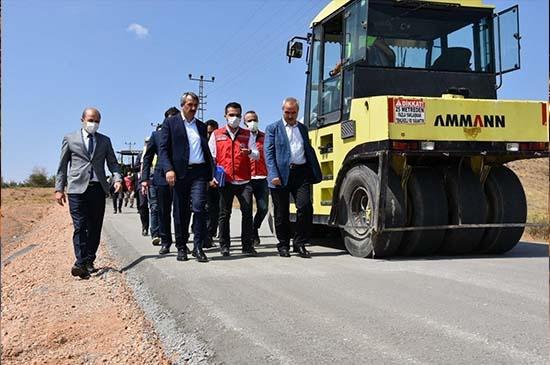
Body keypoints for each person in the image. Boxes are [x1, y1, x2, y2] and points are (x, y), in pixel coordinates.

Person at [55, 107, 122, 279]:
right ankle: (80, 262)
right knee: (80, 226)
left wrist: (118, 179)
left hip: (97, 188)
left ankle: (89, 260)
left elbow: (113, 163)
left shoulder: (105, 141)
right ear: (82, 119)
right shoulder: (70, 139)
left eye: (97, 121)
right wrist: (59, 189)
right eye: (91, 120)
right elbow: (62, 166)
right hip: (77, 189)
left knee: (95, 226)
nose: (94, 123)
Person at [264, 97, 322, 258]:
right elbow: (268, 154)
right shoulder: (273, 128)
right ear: (282, 110)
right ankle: (283, 245)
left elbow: (306, 148)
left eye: (293, 112)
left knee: (305, 207)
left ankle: (300, 243)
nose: (290, 116)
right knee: (281, 212)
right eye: (287, 112)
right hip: (280, 175)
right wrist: (273, 174)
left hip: (301, 173)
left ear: (298, 112)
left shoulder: (302, 128)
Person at [159, 92, 213, 263]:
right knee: (181, 211)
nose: (193, 108)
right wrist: (168, 169)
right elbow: (163, 149)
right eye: (190, 104)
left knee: (199, 208)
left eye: (195, 105)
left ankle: (198, 247)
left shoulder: (201, 126)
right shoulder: (170, 123)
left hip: (199, 173)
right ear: (182, 105)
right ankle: (181, 246)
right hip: (179, 174)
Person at [209, 102, 259, 257]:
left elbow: (257, 154)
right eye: (231, 115)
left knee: (247, 213)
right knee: (224, 214)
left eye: (238, 115)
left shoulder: (247, 134)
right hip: (226, 181)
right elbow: (211, 158)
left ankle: (247, 245)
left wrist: (249, 152)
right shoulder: (216, 134)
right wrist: (212, 177)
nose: (235, 118)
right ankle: (224, 245)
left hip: (244, 180)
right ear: (225, 116)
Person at [141, 107, 181, 251]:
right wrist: (144, 179)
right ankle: (165, 241)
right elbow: (147, 158)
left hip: (180, 177)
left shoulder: (183, 133)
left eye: (175, 117)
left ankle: (181, 242)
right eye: (169, 117)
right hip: (161, 178)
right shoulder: (156, 135)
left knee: (179, 211)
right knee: (163, 211)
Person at [244, 110, 268, 246]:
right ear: (244, 122)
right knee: (246, 209)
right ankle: (250, 236)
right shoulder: (242, 137)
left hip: (262, 177)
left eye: (254, 119)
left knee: (263, 208)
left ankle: (255, 227)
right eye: (249, 120)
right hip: (247, 178)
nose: (252, 122)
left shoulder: (265, 137)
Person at [204, 119, 220, 248]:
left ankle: (211, 234)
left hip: (219, 180)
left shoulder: (219, 142)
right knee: (206, 209)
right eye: (208, 132)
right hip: (204, 181)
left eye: (213, 132)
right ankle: (206, 236)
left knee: (216, 210)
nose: (210, 136)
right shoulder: (201, 143)